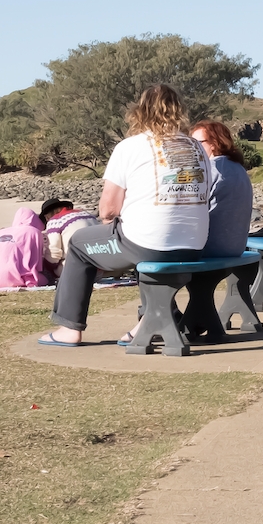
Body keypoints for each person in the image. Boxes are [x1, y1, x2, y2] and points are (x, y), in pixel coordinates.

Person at [39, 84, 215, 347]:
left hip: (148, 245)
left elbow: (108, 209)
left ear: (139, 111)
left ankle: (69, 327)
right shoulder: (196, 147)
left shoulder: (130, 146)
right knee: (144, 238)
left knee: (79, 244)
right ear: (179, 110)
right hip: (193, 246)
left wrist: (111, 227)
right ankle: (149, 319)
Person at [179, 119, 257, 339]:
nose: (192, 148)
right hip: (235, 246)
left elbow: (187, 207)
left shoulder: (210, 169)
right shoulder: (238, 168)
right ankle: (193, 319)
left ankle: (165, 314)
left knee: (152, 256)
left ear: (214, 143)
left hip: (212, 247)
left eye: (197, 143)